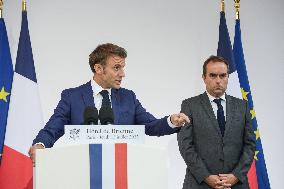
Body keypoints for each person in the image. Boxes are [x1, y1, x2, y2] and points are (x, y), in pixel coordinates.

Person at [29, 43, 190, 164]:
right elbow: (53, 127)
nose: (123, 74)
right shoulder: (72, 97)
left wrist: (171, 121)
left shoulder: (128, 97)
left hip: (121, 172)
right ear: (98, 68)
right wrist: (40, 145)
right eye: (116, 68)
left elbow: (151, 125)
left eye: (123, 67)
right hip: (81, 170)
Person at [177, 55, 255, 189]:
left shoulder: (243, 106)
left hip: (236, 184)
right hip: (199, 183)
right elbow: (185, 145)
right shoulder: (190, 105)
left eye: (222, 75)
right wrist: (206, 176)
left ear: (227, 77)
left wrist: (236, 175)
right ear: (204, 78)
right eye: (213, 75)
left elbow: (250, 144)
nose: (218, 80)